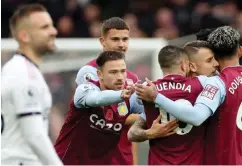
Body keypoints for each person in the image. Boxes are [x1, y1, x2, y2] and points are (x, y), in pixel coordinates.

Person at [135, 26, 242, 165]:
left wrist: (156, 98)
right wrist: (149, 133)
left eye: (211, 59)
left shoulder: (215, 83)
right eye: (209, 61)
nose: (214, 65)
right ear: (239, 51)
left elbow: (196, 117)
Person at [128, 44, 213, 164]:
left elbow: (131, 133)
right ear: (184, 65)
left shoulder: (147, 89)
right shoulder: (202, 84)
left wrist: (149, 133)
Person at [54, 51, 144, 165]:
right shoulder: (84, 91)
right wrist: (121, 94)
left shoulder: (130, 99)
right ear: (100, 74)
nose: (120, 77)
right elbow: (97, 99)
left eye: (122, 71)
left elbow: (150, 115)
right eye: (113, 72)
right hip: (68, 162)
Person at [1, 4, 62, 165]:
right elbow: (34, 135)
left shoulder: (16, 69)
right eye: (45, 27)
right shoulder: (25, 75)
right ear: (24, 36)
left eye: (52, 26)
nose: (54, 31)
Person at [74, 17, 140, 165]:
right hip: (91, 157)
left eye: (125, 39)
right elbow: (104, 113)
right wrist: (141, 117)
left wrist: (134, 162)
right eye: (115, 39)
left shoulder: (132, 79)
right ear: (102, 41)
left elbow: (132, 128)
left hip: (122, 159)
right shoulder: (89, 72)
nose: (121, 44)